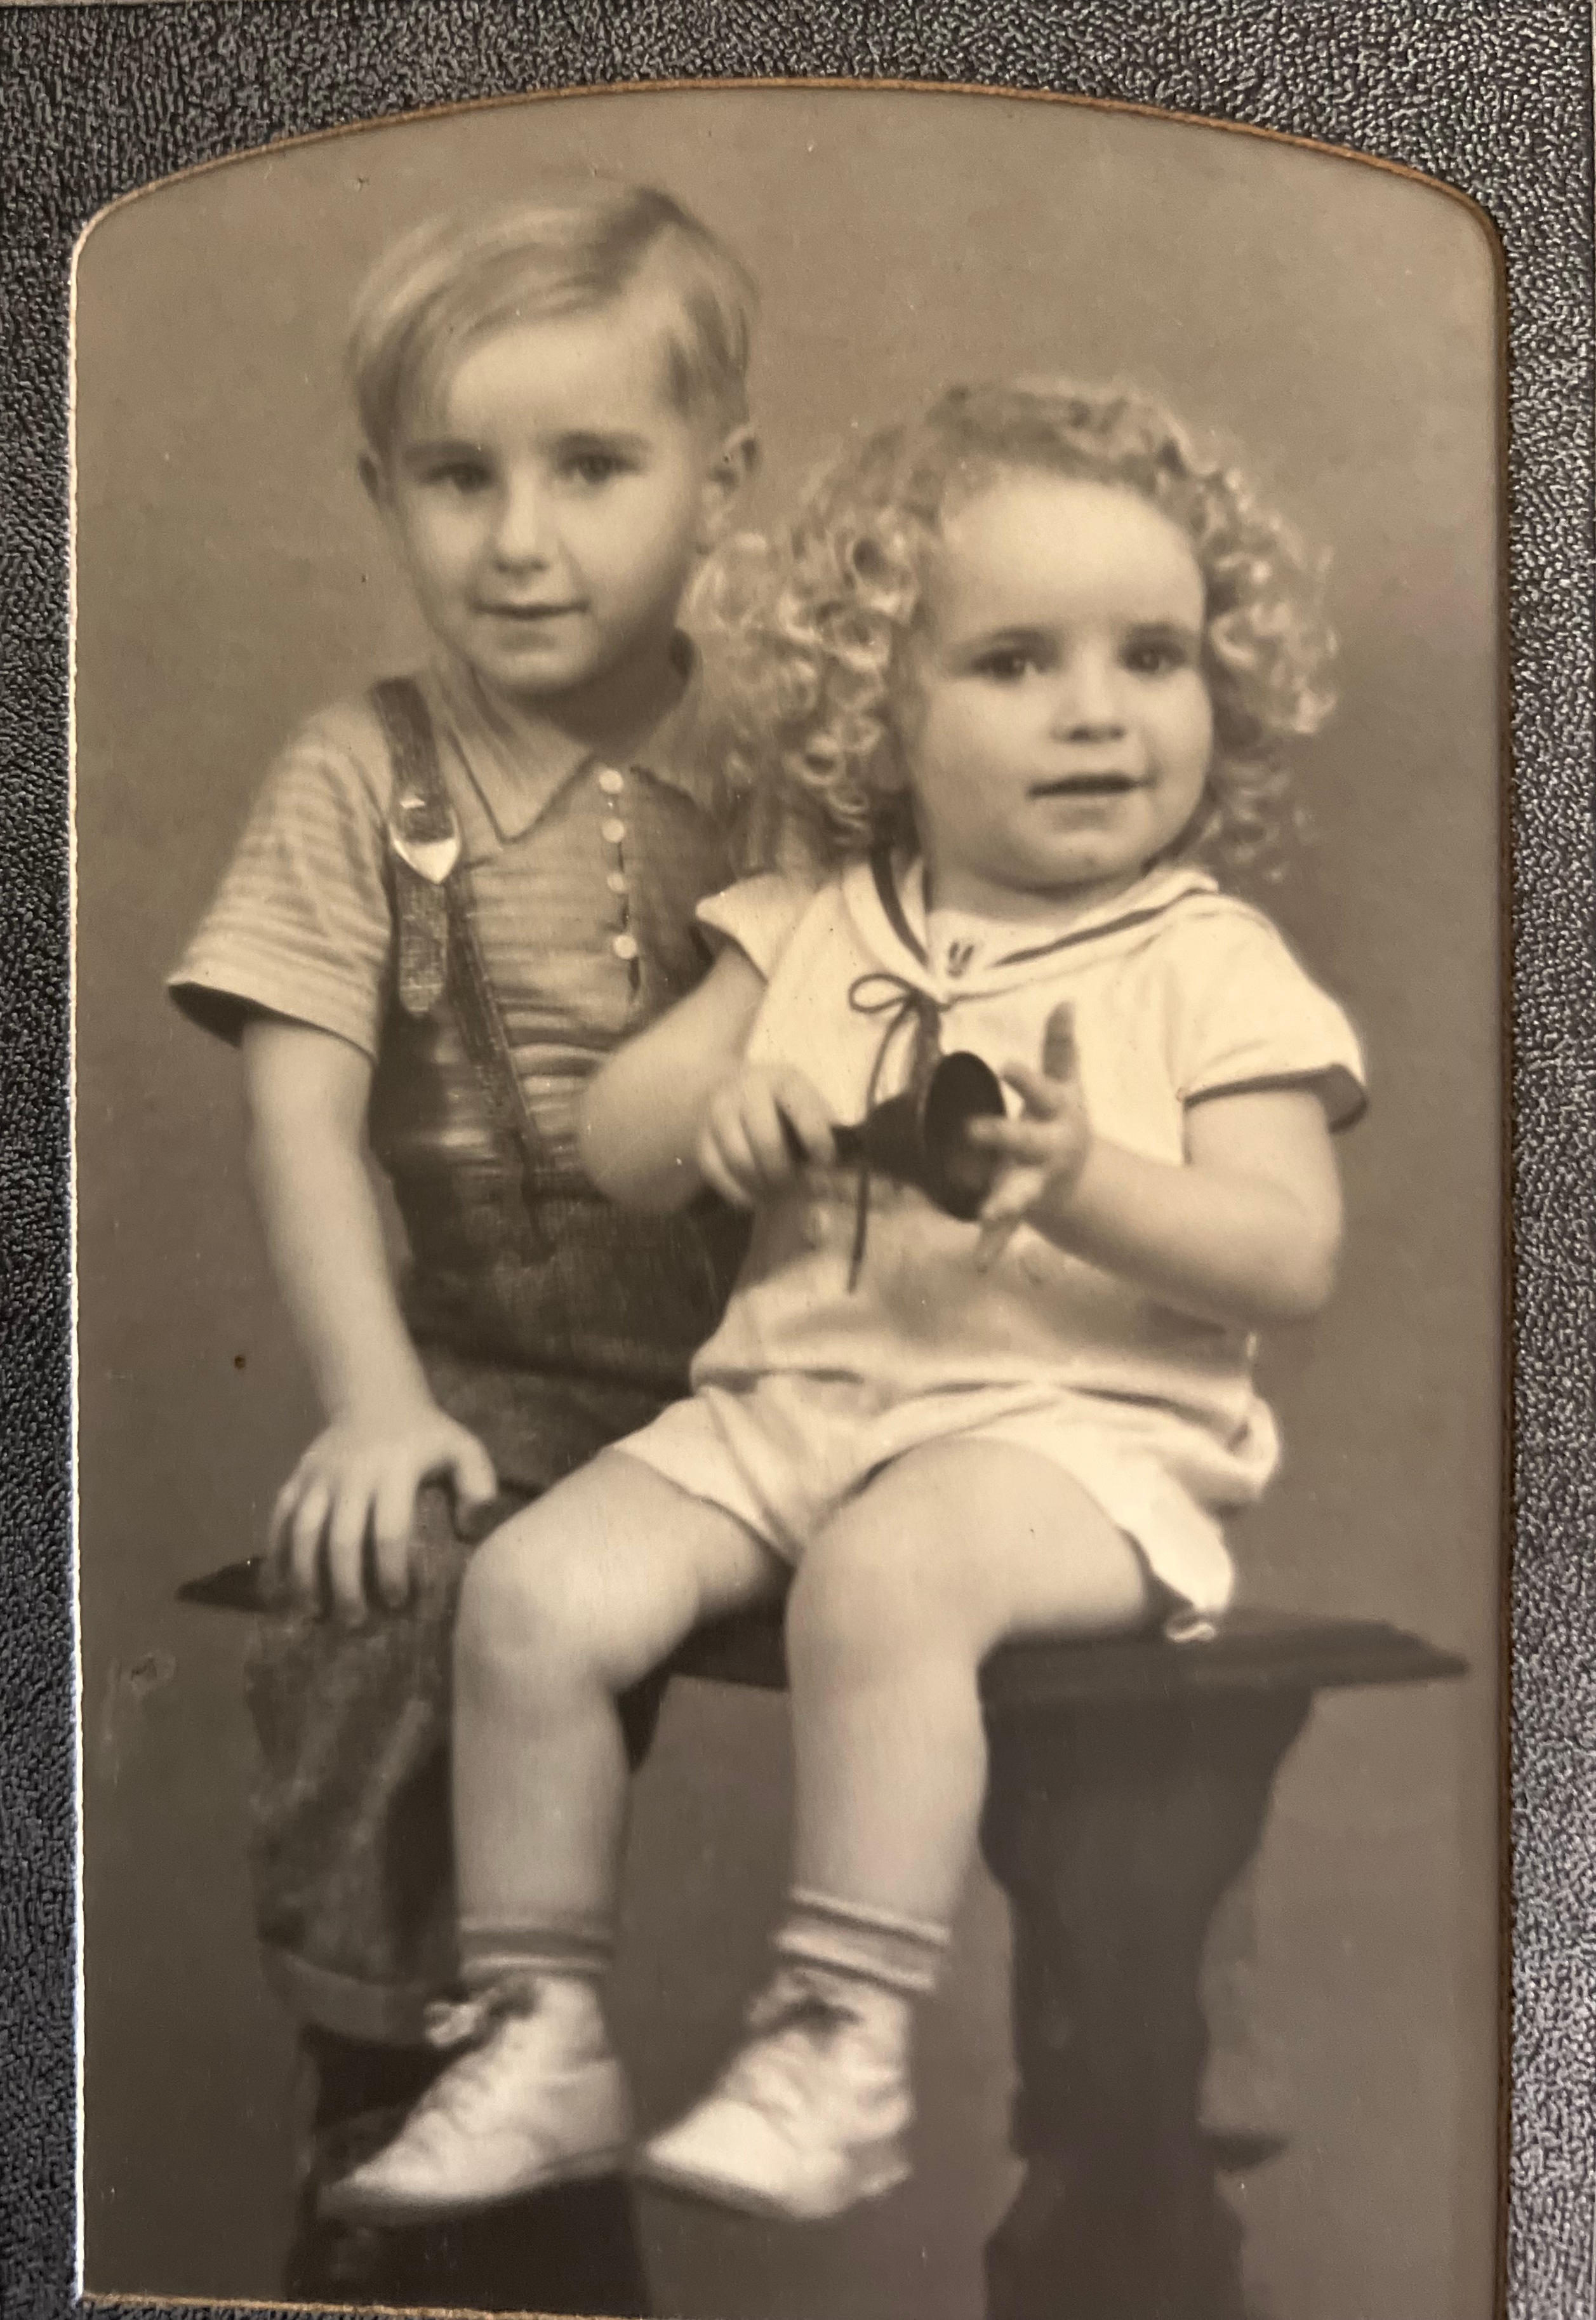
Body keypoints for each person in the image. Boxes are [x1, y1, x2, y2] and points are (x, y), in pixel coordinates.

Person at [323, 377, 1367, 2230]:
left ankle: (838, 2036)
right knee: (531, 1592)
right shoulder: (812, 921)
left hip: (1075, 1450)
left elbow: (1291, 1251)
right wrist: (714, 1108)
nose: (1099, 711)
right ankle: (539, 2035)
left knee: (888, 1577)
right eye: (1016, 663)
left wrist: (1090, 1185)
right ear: (875, 708)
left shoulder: (1209, 963)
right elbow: (620, 1137)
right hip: (789, 1416)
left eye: (1153, 657)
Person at [168, 183, 760, 2310]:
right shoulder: (365, 776)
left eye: (591, 468)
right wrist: (373, 1401)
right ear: (379, 496)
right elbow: (301, 1111)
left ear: (720, 483)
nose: (520, 540)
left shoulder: (794, 759)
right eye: (456, 477)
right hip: (507, 1374)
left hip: (791, 1370)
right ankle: (398, 2087)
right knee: (381, 1575)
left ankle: (1104, 2085)